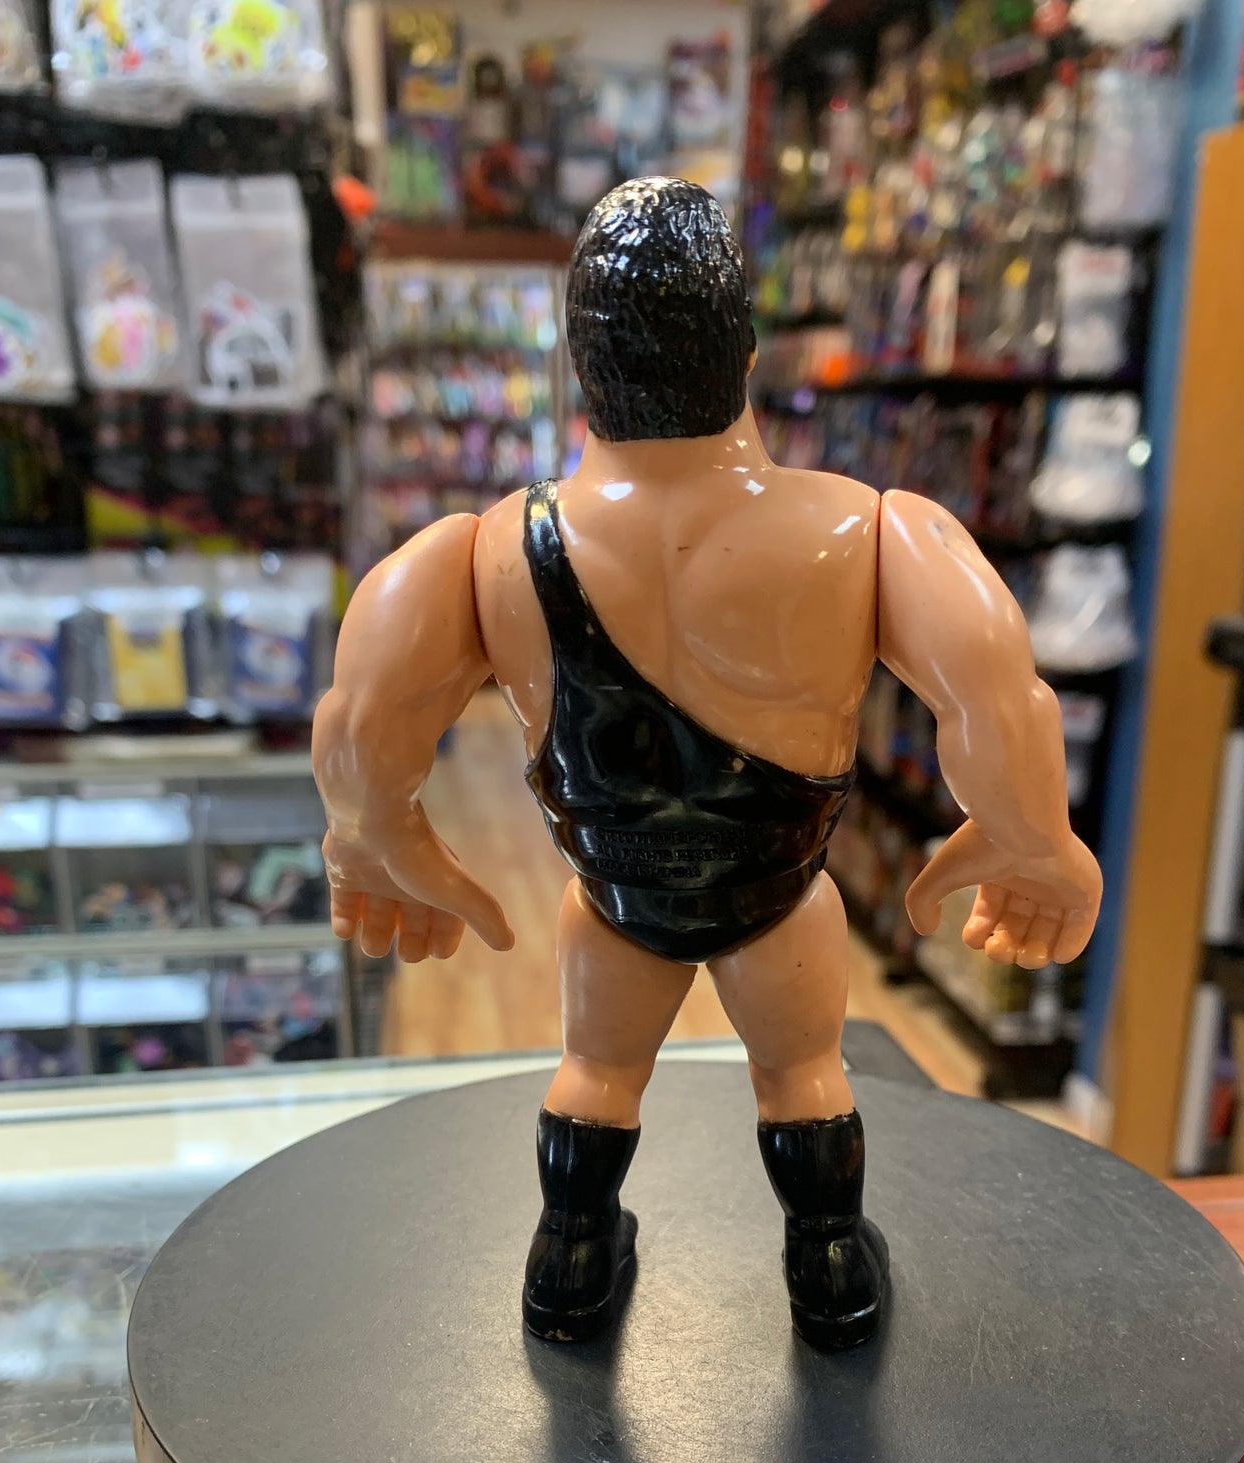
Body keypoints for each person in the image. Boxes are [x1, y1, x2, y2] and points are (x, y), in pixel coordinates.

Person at [313, 177, 1101, 1351]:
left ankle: (571, 1260)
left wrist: (375, 832)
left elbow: (366, 709)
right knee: (804, 1070)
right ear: (746, 351)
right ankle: (830, 1267)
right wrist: (1034, 840)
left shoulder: (482, 554)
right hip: (776, 896)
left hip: (616, 898)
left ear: (579, 362)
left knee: (594, 1069)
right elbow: (997, 693)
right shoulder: (868, 532)